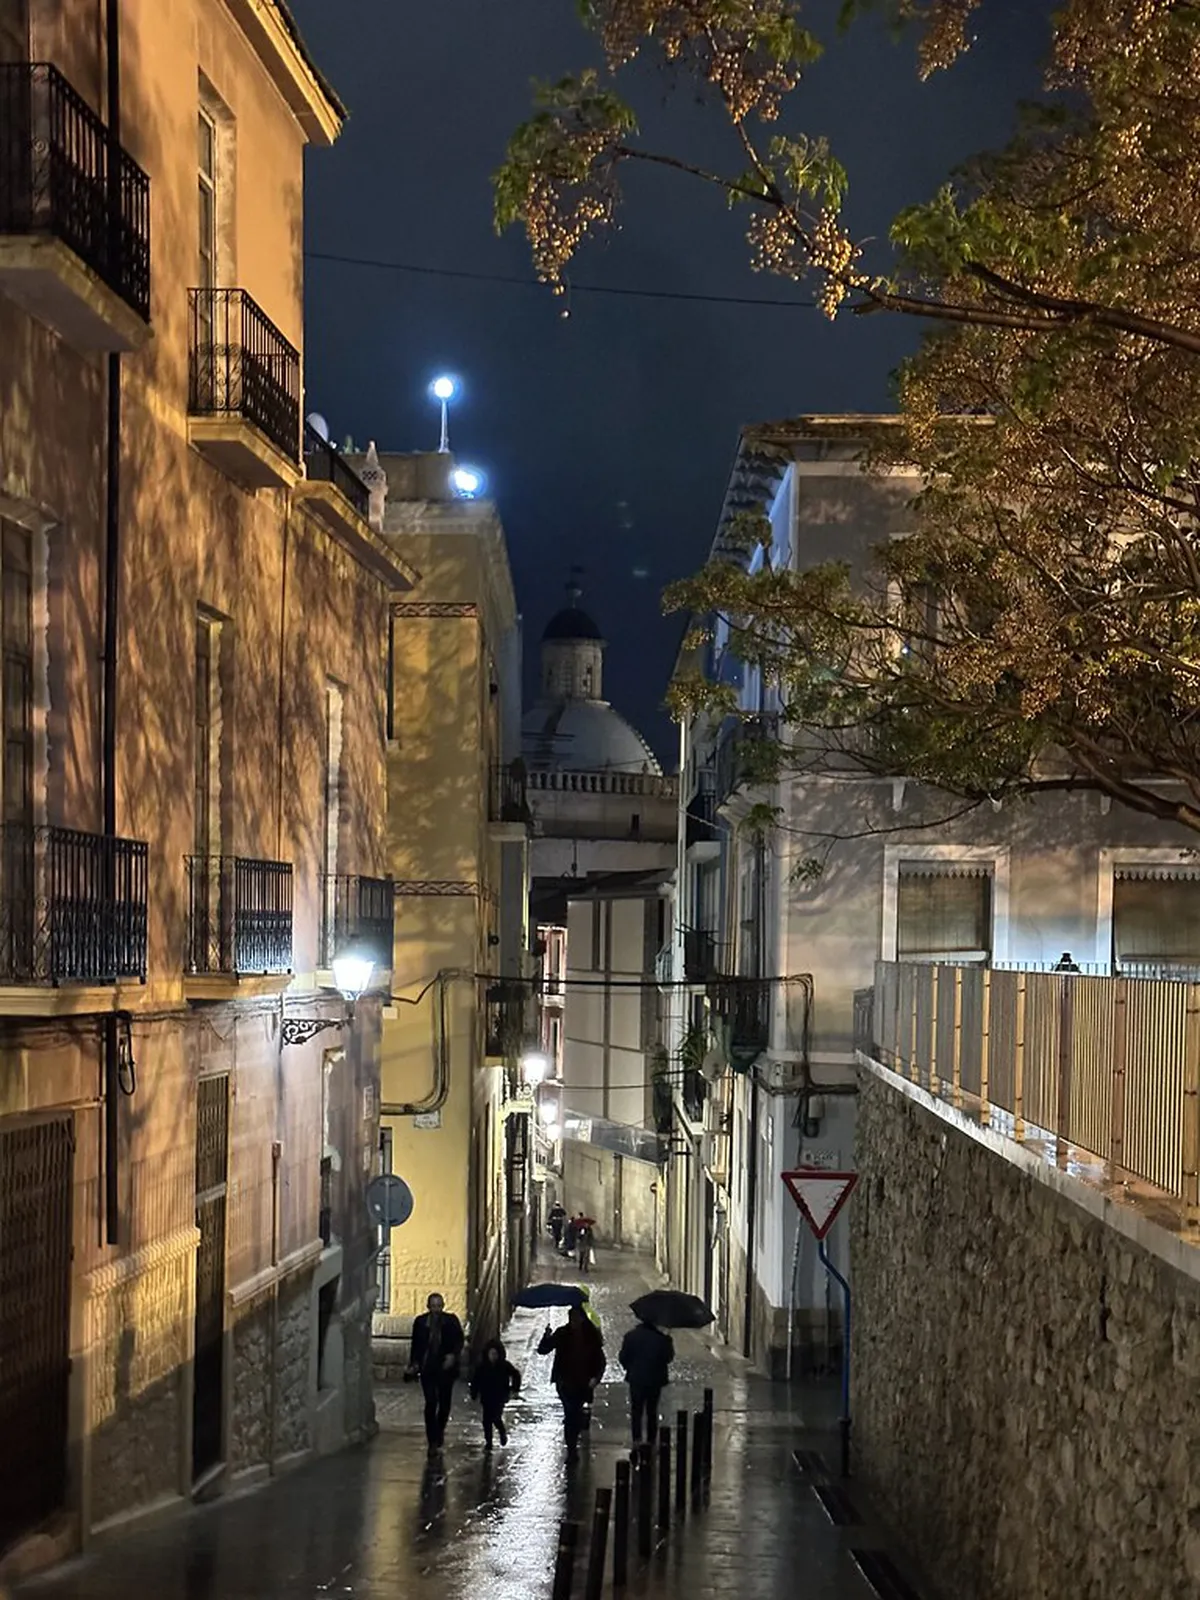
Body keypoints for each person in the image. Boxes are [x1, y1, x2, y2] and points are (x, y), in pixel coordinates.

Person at [538, 1305, 606, 1463]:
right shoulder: (562, 1333)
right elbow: (543, 1350)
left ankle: (573, 1441)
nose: (573, 1321)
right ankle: (571, 1450)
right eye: (571, 1317)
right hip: (565, 1382)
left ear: (582, 1318)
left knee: (574, 1414)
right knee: (570, 1414)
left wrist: (595, 1378)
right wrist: (546, 1336)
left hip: (583, 1383)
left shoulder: (591, 1336)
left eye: (576, 1317)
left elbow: (600, 1361)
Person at [407, 1292, 464, 1450]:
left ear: (443, 1306)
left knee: (444, 1403)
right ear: (428, 1307)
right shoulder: (421, 1322)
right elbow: (416, 1344)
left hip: (445, 1367)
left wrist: (453, 1355)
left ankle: (439, 1430)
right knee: (431, 1401)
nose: (436, 1309)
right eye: (433, 1306)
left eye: (439, 1306)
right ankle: (432, 1437)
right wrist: (414, 1363)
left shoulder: (451, 1321)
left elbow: (459, 1340)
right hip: (428, 1367)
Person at [618, 1317, 675, 1445]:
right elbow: (668, 1358)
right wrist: (668, 1340)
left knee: (636, 1411)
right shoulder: (661, 1339)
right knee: (652, 1411)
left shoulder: (630, 1336)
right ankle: (651, 1440)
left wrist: (630, 1368)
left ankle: (636, 1439)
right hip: (654, 1380)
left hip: (636, 1379)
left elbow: (623, 1357)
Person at [469, 1338, 522, 1449]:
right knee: (486, 1420)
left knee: (496, 1417)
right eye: (491, 1354)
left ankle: (502, 1432)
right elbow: (475, 1380)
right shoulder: (482, 1367)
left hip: (500, 1396)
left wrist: (514, 1388)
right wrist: (474, 1393)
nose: (493, 1356)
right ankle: (489, 1442)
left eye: (495, 1354)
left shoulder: (504, 1365)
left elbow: (516, 1375)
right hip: (486, 1396)